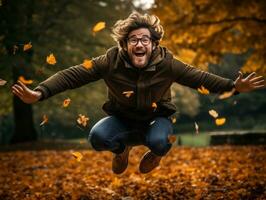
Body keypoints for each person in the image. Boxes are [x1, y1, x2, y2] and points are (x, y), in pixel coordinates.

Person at [12, 12, 265, 174]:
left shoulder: (168, 64)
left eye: (145, 39)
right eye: (133, 39)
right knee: (97, 138)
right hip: (121, 119)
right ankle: (121, 150)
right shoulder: (109, 61)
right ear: (124, 44)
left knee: (160, 141)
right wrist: (39, 93)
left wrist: (234, 87)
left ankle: (155, 155)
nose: (139, 44)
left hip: (157, 119)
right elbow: (72, 75)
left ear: (154, 44)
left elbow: (201, 79)